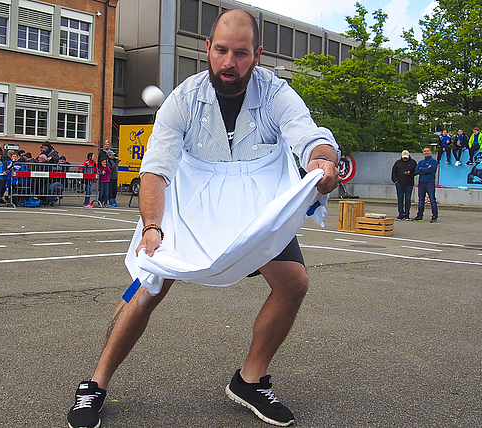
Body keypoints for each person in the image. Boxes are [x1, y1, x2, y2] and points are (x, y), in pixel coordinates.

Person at [66, 9, 340, 428]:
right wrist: (153, 228)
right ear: (208, 49)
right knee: (148, 285)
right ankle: (95, 385)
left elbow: (308, 135)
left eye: (241, 53)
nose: (230, 62)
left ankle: (250, 379)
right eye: (223, 51)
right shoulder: (183, 99)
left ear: (257, 55)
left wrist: (322, 162)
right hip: (193, 201)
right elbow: (156, 168)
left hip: (257, 201)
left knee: (294, 283)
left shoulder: (276, 93)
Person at [414, 146, 438, 223]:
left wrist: (422, 169)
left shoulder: (433, 161)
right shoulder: (421, 162)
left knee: (432, 200)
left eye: (427, 151)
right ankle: (419, 216)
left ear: (430, 152)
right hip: (421, 183)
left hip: (430, 183)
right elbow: (417, 171)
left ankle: (434, 216)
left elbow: (431, 170)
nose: (426, 152)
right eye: (425, 151)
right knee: (421, 200)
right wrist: (424, 169)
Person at [391, 150, 417, 220]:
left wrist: (410, 173)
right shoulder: (398, 163)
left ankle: (407, 214)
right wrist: (395, 180)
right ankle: (400, 213)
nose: (405, 159)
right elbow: (394, 171)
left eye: (406, 158)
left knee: (408, 199)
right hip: (399, 183)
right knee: (400, 199)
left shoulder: (413, 162)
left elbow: (416, 171)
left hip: (409, 184)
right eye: (404, 158)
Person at [98, 140, 120, 206]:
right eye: (105, 144)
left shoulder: (112, 153)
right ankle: (103, 201)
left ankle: (112, 200)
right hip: (106, 175)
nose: (106, 145)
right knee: (104, 190)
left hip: (113, 174)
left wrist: (117, 160)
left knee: (114, 189)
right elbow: (99, 162)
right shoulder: (102, 153)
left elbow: (114, 164)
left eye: (108, 144)